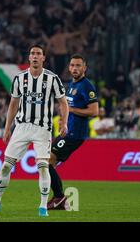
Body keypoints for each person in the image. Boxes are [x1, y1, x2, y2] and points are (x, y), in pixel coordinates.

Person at [0, 45, 69, 217]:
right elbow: (13, 104)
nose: (35, 56)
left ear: (43, 58)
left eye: (38, 54)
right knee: (6, 166)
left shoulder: (52, 78)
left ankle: (42, 207)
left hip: (42, 128)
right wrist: (7, 128)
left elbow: (63, 102)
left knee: (43, 167)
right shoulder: (19, 78)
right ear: (29, 57)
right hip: (21, 127)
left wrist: (64, 122)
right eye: (32, 53)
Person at [47, 54, 99, 210]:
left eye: (78, 66)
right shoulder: (71, 84)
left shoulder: (87, 86)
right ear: (69, 67)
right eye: (72, 65)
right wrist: (64, 119)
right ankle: (58, 198)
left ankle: (59, 198)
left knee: (47, 160)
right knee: (48, 163)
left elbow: (94, 111)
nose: (75, 68)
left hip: (75, 134)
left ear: (84, 68)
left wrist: (71, 110)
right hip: (67, 131)